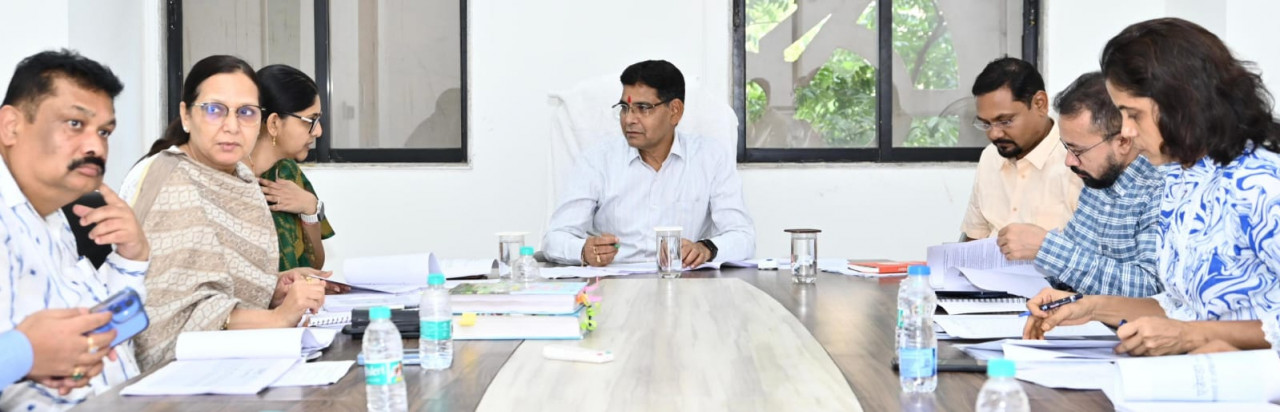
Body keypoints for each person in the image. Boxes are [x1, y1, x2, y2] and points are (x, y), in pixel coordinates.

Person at [1025, 18, 1280, 356]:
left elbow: (1191, 327)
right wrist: (1089, 307)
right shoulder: (1180, 177)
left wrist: (1192, 335)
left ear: (1182, 104)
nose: (1127, 132)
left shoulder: (1263, 185)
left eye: (1133, 115)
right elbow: (1178, 308)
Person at [121, 55, 331, 372]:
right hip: (174, 377)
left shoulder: (243, 179)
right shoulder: (167, 178)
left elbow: (224, 286)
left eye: (246, 112)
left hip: (239, 361)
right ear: (186, 115)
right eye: (214, 110)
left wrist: (272, 287)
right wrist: (278, 318)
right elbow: (169, 318)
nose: (232, 126)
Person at [0, 49, 151, 409]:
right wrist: (23, 352)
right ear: (10, 126)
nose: (96, 146)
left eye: (104, 131)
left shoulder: (54, 218)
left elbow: (102, 334)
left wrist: (132, 257)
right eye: (74, 123)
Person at [543, 60, 755, 268]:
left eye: (643, 108)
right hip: (614, 282)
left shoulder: (710, 158)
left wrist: (706, 248)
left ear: (675, 111)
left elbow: (743, 237)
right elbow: (555, 238)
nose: (629, 119)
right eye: (625, 108)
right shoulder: (597, 160)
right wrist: (583, 250)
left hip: (683, 280)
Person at [996, 72, 1163, 297]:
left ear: (1123, 141)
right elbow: (1072, 264)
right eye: (1067, 148)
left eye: (1078, 150)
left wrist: (1046, 247)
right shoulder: (1097, 179)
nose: (1069, 161)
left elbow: (1152, 289)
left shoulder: (1161, 191)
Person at [961, 57, 1083, 240]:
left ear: (1040, 104)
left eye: (1005, 121)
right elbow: (974, 236)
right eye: (986, 124)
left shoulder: (1078, 161)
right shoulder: (990, 157)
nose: (994, 134)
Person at [246, 64, 336, 272]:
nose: (318, 131)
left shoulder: (288, 173)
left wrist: (310, 208)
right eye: (310, 120)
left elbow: (314, 265)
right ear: (274, 123)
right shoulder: (231, 179)